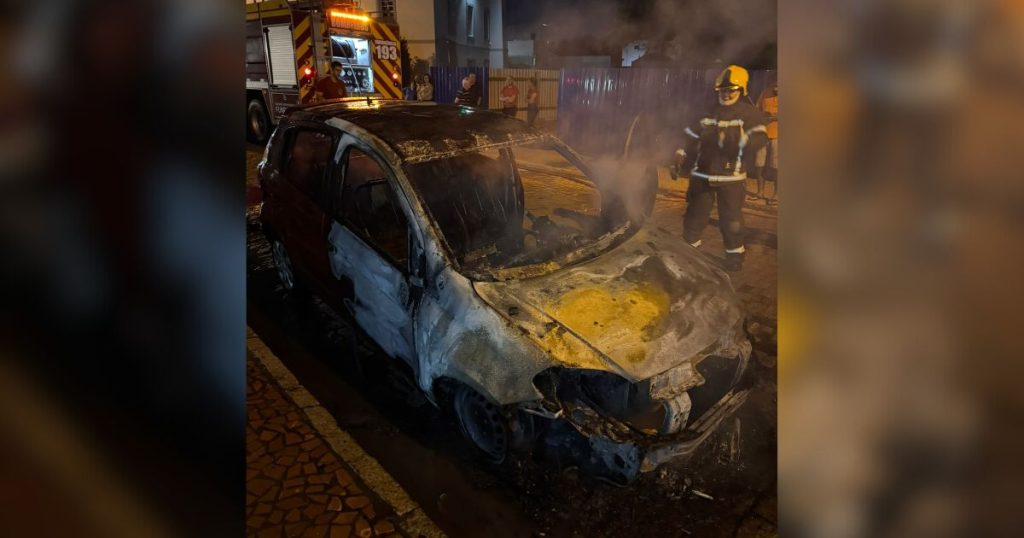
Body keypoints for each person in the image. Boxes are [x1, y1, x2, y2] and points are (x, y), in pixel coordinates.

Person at [672, 65, 769, 272]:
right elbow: (689, 135)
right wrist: (680, 153)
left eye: (731, 90)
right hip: (702, 175)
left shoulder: (749, 113)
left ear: (741, 90)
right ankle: (689, 251)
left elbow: (760, 137)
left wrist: (739, 142)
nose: (726, 94)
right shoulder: (707, 111)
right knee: (694, 216)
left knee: (731, 219)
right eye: (723, 90)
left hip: (731, 178)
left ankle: (734, 256)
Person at [751, 83, 778, 202]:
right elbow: (757, 111)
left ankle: (776, 195)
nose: (777, 87)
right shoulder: (765, 92)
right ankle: (760, 192)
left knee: (776, 167)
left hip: (778, 136)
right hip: (762, 134)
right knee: (759, 165)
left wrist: (772, 117)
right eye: (775, 84)